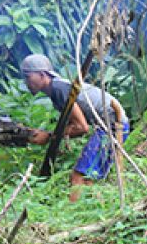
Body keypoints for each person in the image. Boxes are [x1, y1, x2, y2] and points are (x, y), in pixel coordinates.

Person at [19, 54, 131, 202]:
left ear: (42, 75)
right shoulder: (56, 91)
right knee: (88, 177)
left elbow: (81, 127)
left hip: (113, 126)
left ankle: (71, 212)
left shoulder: (60, 89)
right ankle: (88, 209)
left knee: (79, 175)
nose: (26, 81)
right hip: (109, 125)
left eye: (28, 76)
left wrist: (49, 136)